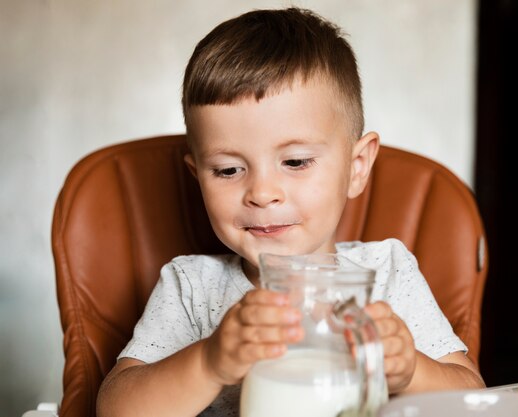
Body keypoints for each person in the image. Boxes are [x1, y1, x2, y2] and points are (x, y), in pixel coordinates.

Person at [96, 7, 485, 417]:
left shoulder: (387, 275)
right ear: (198, 176)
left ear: (356, 168)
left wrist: (411, 371)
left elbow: (470, 393)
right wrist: (209, 361)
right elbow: (115, 408)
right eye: (228, 170)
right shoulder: (192, 288)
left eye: (296, 162)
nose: (262, 193)